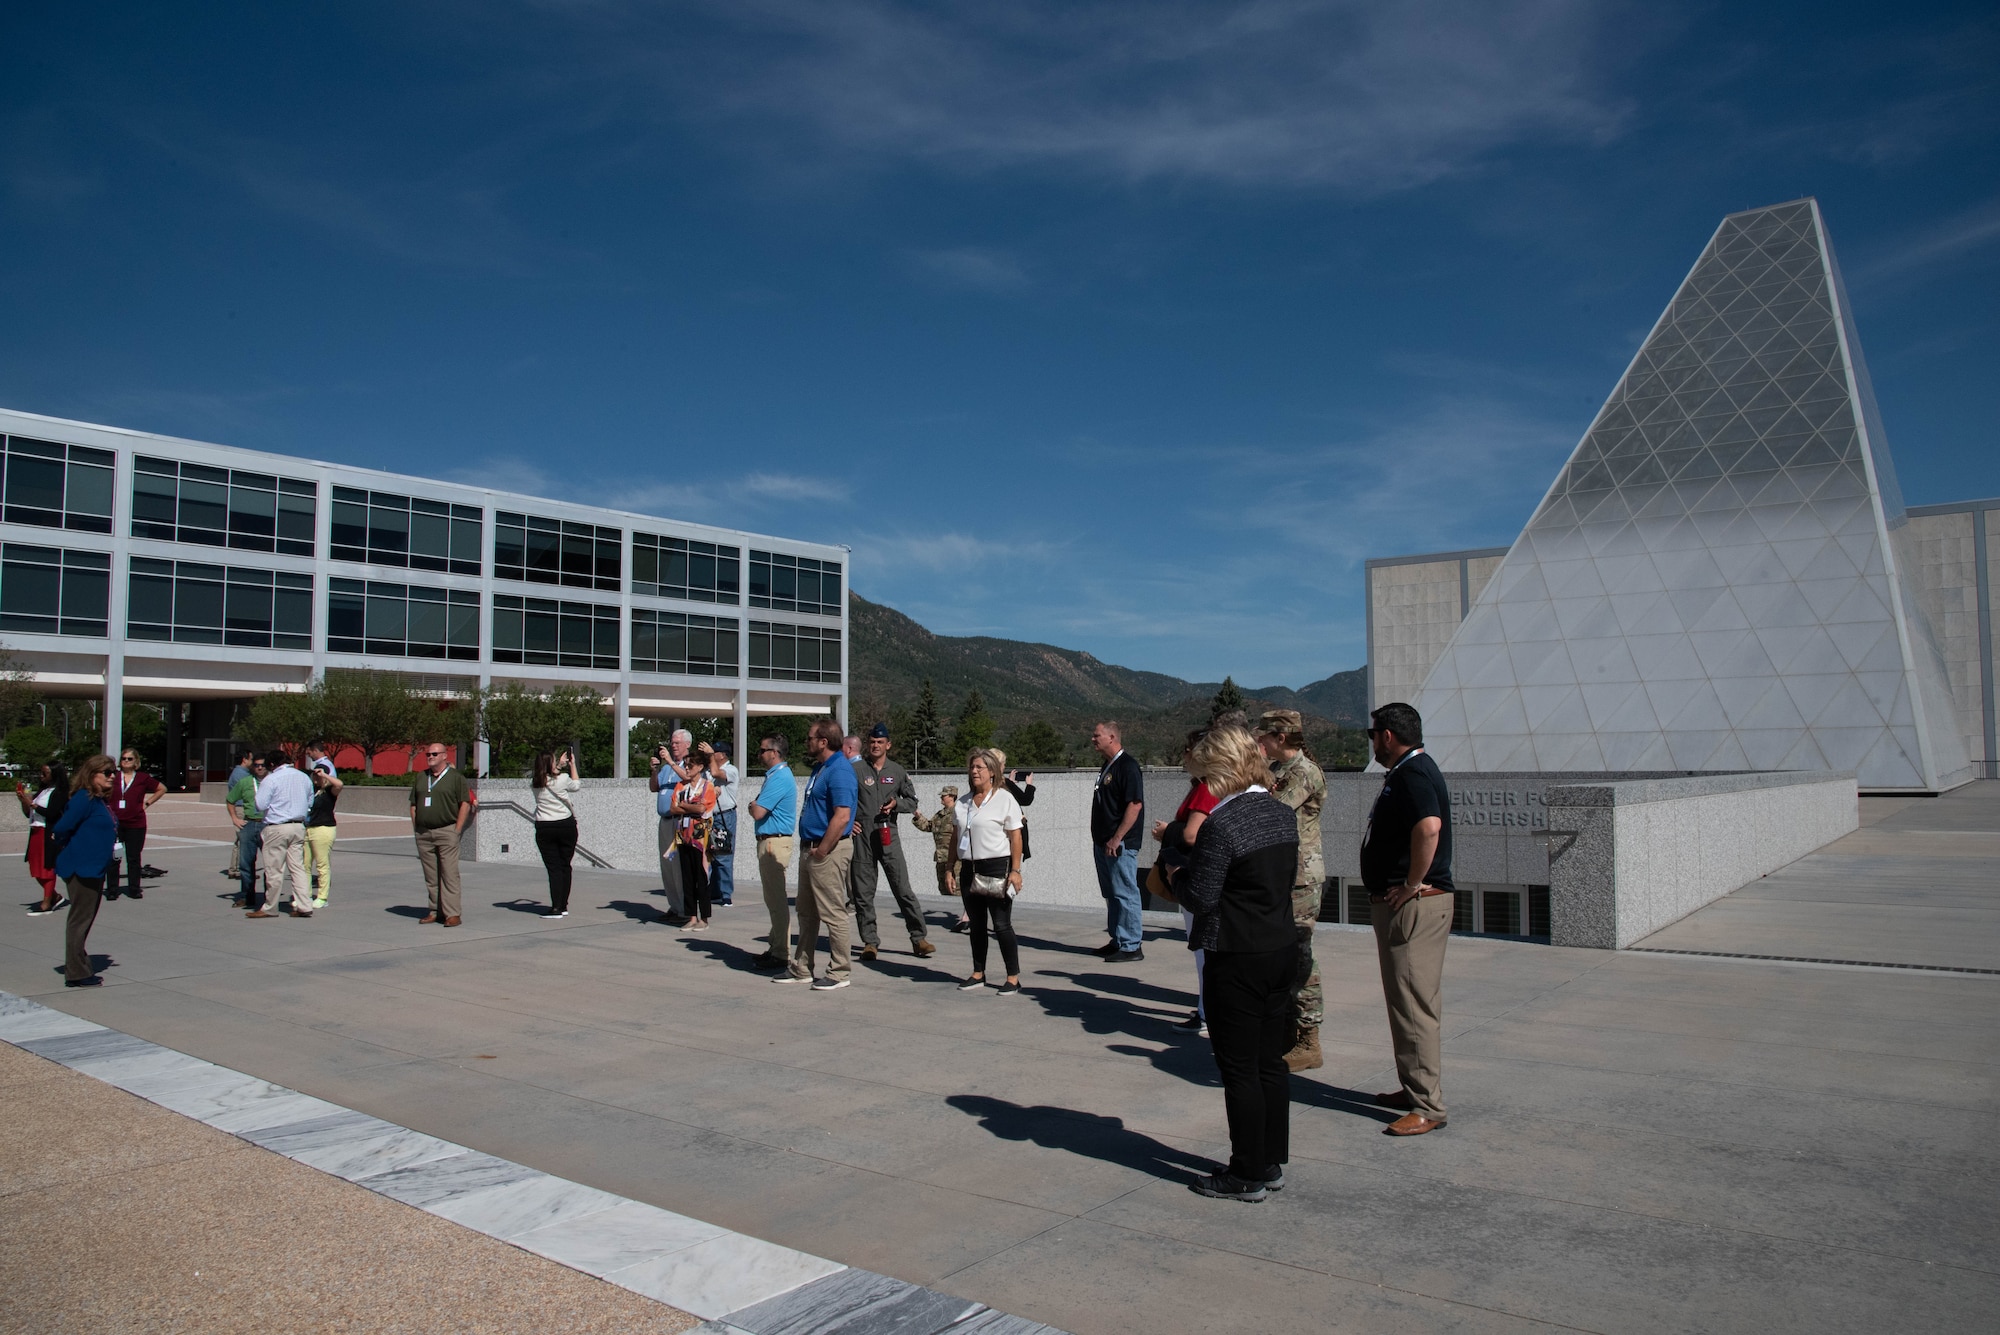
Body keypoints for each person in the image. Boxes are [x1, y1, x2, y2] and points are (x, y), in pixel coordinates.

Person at [1179, 725, 1299, 1202]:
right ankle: (1269, 1161)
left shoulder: (1222, 824)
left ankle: (1246, 1171)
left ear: (1222, 770)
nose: (1203, 784)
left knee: (1239, 1070)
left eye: (1206, 773)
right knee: (1271, 1063)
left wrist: (1176, 873)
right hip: (1280, 948)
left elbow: (1201, 896)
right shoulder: (1281, 814)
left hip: (1236, 954)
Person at [1361, 702, 1455, 1136]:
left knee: (1414, 1004)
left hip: (1414, 906)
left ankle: (1427, 1107)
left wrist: (1413, 883)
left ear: (1388, 736)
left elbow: (1429, 827)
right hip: (1405, 904)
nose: (1373, 742)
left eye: (1373, 734)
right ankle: (1414, 1085)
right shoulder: (1410, 771)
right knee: (1405, 1002)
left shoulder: (1414, 773)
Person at [1257, 709, 1328, 1073]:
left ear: (1280, 737)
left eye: (1263, 738)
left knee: (1300, 953)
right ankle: (1286, 1031)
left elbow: (1271, 811)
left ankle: (1308, 1036)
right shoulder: (1280, 772)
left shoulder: (1303, 773)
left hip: (1301, 876)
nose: (1259, 743)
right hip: (1283, 872)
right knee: (1282, 953)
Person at [779, 718, 856, 991]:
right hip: (811, 847)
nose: (807, 741)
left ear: (824, 741)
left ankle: (839, 972)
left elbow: (842, 815)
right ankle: (801, 967)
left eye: (811, 737)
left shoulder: (840, 770)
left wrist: (823, 850)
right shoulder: (820, 769)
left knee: (833, 912)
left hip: (828, 850)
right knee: (806, 912)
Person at [849, 722, 935, 961]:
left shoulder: (897, 771)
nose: (875, 746)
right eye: (872, 742)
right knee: (863, 892)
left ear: (888, 744)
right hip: (862, 837)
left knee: (903, 888)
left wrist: (897, 803)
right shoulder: (856, 771)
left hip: (888, 834)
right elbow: (841, 800)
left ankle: (919, 938)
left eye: (880, 742)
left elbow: (913, 801)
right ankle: (870, 942)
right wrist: (849, 824)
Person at [1153, 728, 1219, 1036]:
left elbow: (1193, 834)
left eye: (1189, 749)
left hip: (1196, 873)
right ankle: (1207, 1009)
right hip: (1192, 872)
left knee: (1203, 949)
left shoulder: (1208, 787)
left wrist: (1169, 832)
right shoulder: (1200, 786)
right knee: (1201, 950)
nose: (1185, 756)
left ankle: (1209, 1013)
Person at [952, 748, 1025, 995]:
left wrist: (1015, 870)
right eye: (971, 767)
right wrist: (950, 868)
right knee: (977, 924)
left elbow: (1016, 837)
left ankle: (1013, 977)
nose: (974, 772)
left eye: (979, 768)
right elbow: (955, 837)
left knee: (1001, 924)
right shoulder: (962, 803)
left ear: (992, 772)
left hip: (996, 866)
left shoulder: (1005, 799)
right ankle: (978, 972)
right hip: (969, 868)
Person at [49, 754, 119, 988]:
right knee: (79, 920)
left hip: (95, 868)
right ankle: (76, 973)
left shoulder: (99, 801)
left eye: (113, 773)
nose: (112, 777)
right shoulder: (84, 798)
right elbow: (62, 827)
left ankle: (79, 965)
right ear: (92, 775)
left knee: (84, 919)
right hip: (82, 868)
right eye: (107, 773)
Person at [1089, 721, 1146, 962]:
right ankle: (1118, 939)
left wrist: (1117, 838)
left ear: (1112, 737)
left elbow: (1135, 804)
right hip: (1103, 842)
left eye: (1097, 735)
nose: (1093, 739)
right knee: (1112, 893)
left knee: (1125, 892)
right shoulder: (1107, 766)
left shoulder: (1128, 766)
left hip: (1119, 844)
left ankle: (1132, 945)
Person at [746, 734, 798, 969]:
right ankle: (776, 945)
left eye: (762, 750)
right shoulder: (775, 776)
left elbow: (758, 811)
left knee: (776, 900)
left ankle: (781, 953)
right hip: (770, 840)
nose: (760, 754)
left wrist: (753, 805)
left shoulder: (779, 777)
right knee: (773, 899)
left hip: (773, 843)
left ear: (775, 753)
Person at [410, 741, 471, 926]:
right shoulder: (421, 777)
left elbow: (465, 803)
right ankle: (435, 910)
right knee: (431, 875)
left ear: (445, 756)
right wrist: (417, 827)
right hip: (424, 833)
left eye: (434, 754)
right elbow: (413, 804)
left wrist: (457, 829)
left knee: (449, 873)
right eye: (428, 754)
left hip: (446, 831)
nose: (430, 757)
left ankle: (452, 913)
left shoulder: (455, 778)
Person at [251, 749, 313, 917]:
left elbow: (261, 805)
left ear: (272, 764)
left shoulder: (271, 779)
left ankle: (270, 907)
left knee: (274, 869)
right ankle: (304, 905)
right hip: (298, 825)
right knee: (298, 868)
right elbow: (310, 802)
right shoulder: (303, 777)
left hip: (277, 826)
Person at [648, 729, 697, 916]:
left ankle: (685, 908)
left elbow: (688, 779)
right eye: (672, 743)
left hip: (680, 820)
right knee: (667, 865)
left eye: (677, 743)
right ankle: (674, 906)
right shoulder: (667, 768)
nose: (673, 746)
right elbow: (655, 787)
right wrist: (654, 770)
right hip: (665, 819)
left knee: (678, 866)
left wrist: (669, 761)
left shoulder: (689, 764)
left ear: (687, 744)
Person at [668, 748, 719, 931]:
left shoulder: (708, 786)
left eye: (690, 765)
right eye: (686, 765)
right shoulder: (681, 786)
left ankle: (704, 917)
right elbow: (673, 808)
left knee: (701, 876)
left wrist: (685, 805)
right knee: (687, 877)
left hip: (701, 838)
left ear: (700, 767)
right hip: (683, 835)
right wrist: (690, 806)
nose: (687, 769)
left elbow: (703, 809)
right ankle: (691, 915)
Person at [106, 747, 164, 899]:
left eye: (129, 759)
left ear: (136, 761)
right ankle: (112, 889)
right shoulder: (114, 776)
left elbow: (161, 789)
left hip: (135, 823)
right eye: (124, 758)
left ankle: (134, 888)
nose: (125, 761)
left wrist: (147, 803)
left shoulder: (142, 778)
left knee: (133, 858)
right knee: (114, 857)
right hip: (115, 823)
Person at [531, 748, 582, 918]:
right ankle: (563, 905)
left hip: (545, 826)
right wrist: (572, 765)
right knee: (565, 865)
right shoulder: (563, 779)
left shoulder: (536, 783)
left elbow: (548, 776)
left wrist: (558, 764)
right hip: (566, 825)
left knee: (554, 868)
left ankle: (556, 906)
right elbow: (576, 785)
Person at [19, 761, 69, 915]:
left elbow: (52, 813)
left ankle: (47, 903)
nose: (41, 776)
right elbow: (29, 814)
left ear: (54, 775)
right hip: (36, 831)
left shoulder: (59, 792)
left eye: (44, 774)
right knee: (35, 867)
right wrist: (24, 802)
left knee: (47, 867)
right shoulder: (42, 791)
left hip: (48, 833)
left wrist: (32, 804)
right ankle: (54, 896)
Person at [225, 755, 267, 909]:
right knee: (246, 863)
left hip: (267, 824)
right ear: (252, 767)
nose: (260, 768)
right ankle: (246, 895)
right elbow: (230, 800)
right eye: (256, 765)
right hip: (249, 823)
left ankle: (269, 896)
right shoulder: (245, 782)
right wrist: (235, 818)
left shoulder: (272, 781)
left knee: (270, 862)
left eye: (262, 765)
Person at [910, 785, 960, 898]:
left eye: (944, 795)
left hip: (954, 859)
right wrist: (918, 816)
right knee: (943, 888)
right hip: (941, 858)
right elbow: (928, 826)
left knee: (956, 888)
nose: (941, 798)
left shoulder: (958, 812)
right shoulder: (940, 815)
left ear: (952, 796)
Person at [305, 764, 342, 911]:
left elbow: (340, 784)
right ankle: (305, 895)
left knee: (322, 865)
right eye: (314, 774)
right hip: (307, 828)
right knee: (304, 865)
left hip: (323, 829)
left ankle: (322, 897)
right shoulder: (310, 790)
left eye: (318, 774)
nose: (316, 776)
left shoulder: (329, 791)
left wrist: (324, 776)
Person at [709, 742, 740, 907]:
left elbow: (716, 772)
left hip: (724, 816)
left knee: (724, 855)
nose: (712, 755)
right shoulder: (709, 771)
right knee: (712, 855)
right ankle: (714, 892)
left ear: (723, 755)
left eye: (714, 752)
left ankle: (726, 894)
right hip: (710, 816)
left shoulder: (731, 770)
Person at [221, 745, 254, 880]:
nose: (253, 763)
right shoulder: (241, 775)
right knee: (243, 839)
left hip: (240, 808)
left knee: (239, 840)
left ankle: (234, 868)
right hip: (241, 808)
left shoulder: (239, 773)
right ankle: (239, 868)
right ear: (244, 760)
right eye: (251, 759)